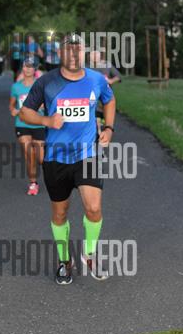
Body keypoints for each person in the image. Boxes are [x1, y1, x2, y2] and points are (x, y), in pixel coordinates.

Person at [19, 33, 116, 285]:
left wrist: (108, 128)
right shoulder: (47, 82)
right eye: (68, 49)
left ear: (83, 53)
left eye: (78, 49)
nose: (73, 54)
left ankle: (89, 254)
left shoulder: (96, 79)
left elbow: (110, 100)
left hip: (87, 154)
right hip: (56, 158)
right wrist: (46, 120)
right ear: (60, 53)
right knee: (60, 214)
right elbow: (25, 112)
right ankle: (64, 261)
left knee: (94, 208)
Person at [9, 56, 46, 195]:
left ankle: (50, 174)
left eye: (31, 66)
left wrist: (43, 106)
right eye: (25, 66)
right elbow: (12, 105)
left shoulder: (40, 85)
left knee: (41, 158)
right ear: (22, 68)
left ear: (35, 69)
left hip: (38, 123)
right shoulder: (16, 87)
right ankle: (33, 183)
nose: (28, 69)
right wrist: (14, 111)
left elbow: (49, 103)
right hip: (22, 124)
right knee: (28, 152)